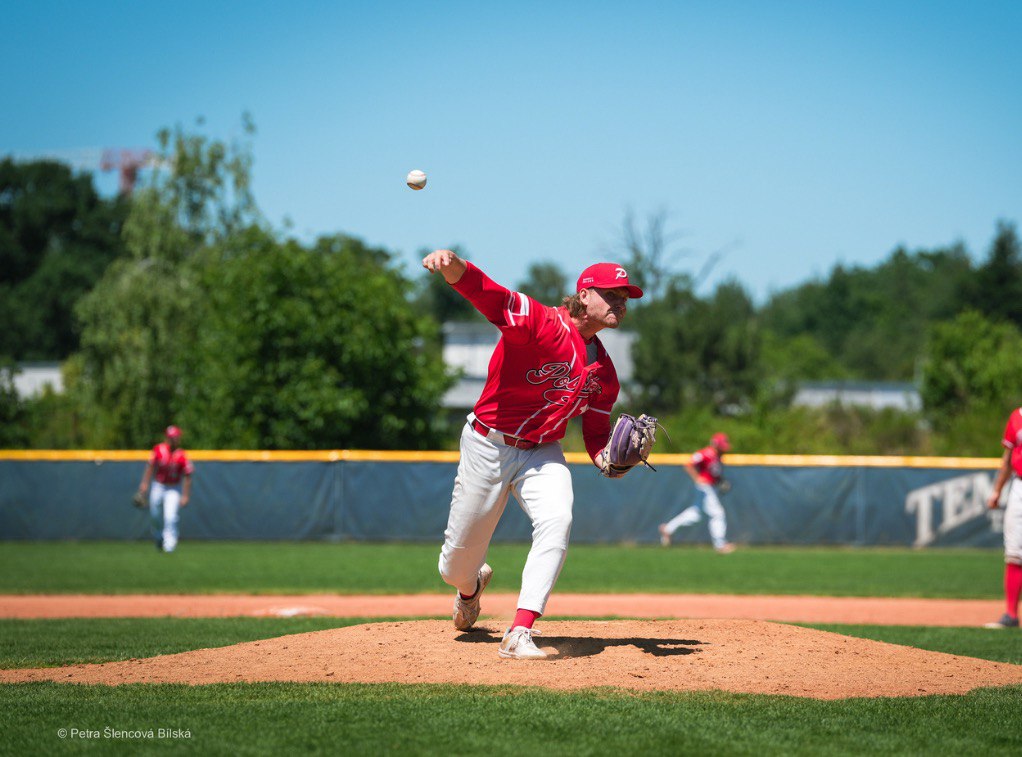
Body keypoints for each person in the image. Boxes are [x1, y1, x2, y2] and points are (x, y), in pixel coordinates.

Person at [423, 249, 642, 659]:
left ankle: (520, 631)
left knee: (558, 519)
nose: (620, 302)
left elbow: (596, 434)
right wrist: (454, 267)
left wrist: (609, 462)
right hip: (488, 444)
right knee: (454, 567)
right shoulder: (540, 321)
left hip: (542, 450)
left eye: (625, 296)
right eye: (612, 294)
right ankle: (470, 588)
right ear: (584, 295)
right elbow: (489, 295)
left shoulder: (605, 373)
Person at [658, 432, 736, 554]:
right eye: (722, 446)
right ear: (716, 445)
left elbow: (714, 473)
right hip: (705, 487)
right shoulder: (705, 453)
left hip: (710, 487)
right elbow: (689, 464)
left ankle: (668, 529)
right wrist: (697, 478)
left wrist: (721, 482)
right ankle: (720, 544)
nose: (724, 449)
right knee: (717, 513)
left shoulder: (717, 457)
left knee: (695, 514)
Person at [984, 408, 1022, 629]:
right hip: (1019, 486)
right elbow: (1007, 459)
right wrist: (997, 490)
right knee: (1014, 552)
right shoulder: (1017, 417)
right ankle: (1011, 615)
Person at [137, 425, 194, 553]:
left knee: (171, 516)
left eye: (175, 437)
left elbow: (188, 475)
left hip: (173, 488)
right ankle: (158, 536)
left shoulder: (181, 454)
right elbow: (150, 467)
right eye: (171, 437)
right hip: (159, 485)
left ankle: (170, 544)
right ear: (167, 438)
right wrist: (144, 484)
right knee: (155, 514)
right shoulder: (159, 450)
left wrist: (185, 495)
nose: (173, 440)